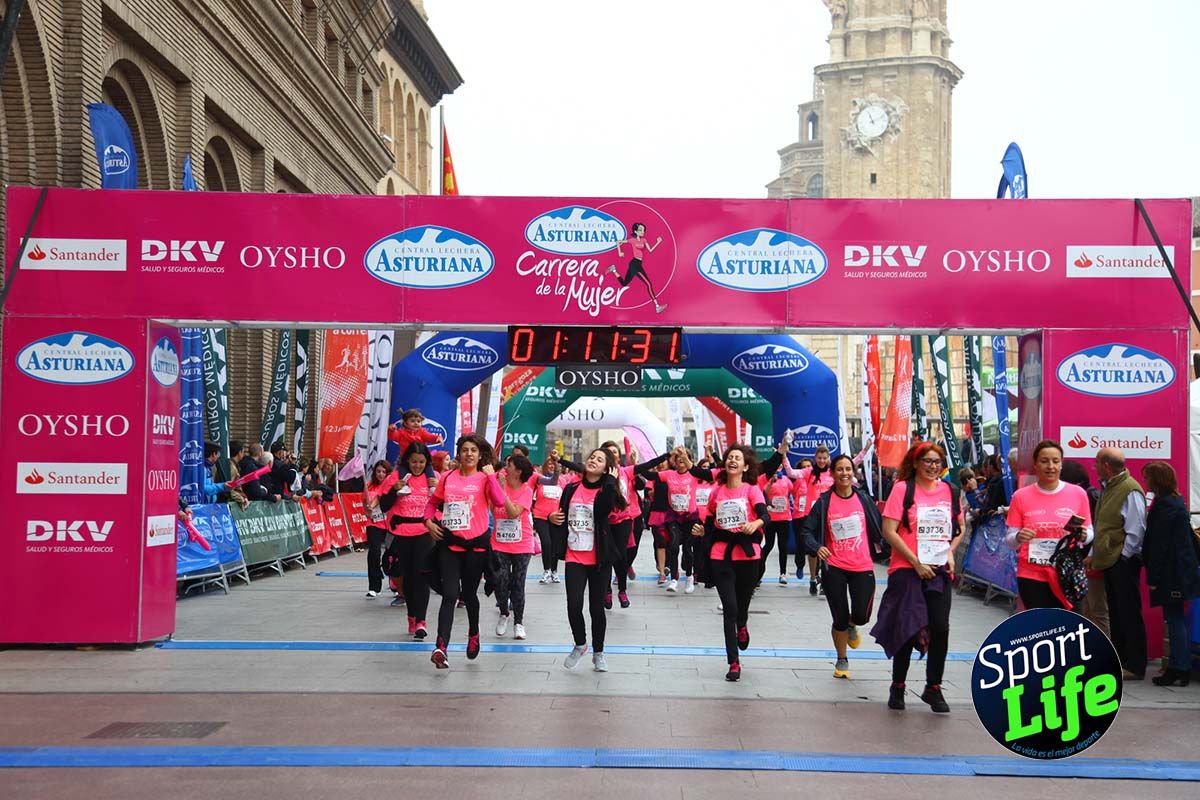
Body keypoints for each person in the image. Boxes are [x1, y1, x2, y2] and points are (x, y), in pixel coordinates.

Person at [871, 442, 962, 713]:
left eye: (937, 461)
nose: (933, 466)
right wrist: (914, 561)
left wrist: (951, 553)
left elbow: (959, 528)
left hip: (938, 570)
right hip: (907, 569)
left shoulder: (950, 491)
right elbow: (889, 530)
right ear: (915, 462)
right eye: (927, 461)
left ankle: (933, 687)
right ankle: (898, 684)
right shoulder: (902, 489)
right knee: (908, 627)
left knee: (940, 628)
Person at [424, 434, 507, 669]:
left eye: (473, 450)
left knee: (469, 595)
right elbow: (432, 504)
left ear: (480, 455)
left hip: (476, 547)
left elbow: (500, 503)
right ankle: (441, 647)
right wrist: (428, 523)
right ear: (459, 454)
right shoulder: (448, 477)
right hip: (450, 544)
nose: (468, 454)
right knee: (450, 595)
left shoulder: (484, 478)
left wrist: (491, 476)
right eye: (464, 450)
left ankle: (473, 633)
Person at [801, 454, 885, 680]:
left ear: (853, 472)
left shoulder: (864, 500)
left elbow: (880, 525)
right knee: (838, 616)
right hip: (834, 566)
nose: (845, 473)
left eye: (848, 469)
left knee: (862, 614)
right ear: (833, 473)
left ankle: (852, 624)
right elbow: (806, 530)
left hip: (862, 565)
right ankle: (842, 658)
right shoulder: (824, 502)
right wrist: (818, 547)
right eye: (840, 469)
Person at [690, 445, 769, 682]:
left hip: (748, 556)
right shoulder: (717, 492)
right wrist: (702, 530)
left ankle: (743, 625)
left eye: (737, 458)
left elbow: (765, 515)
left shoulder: (751, 490)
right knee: (730, 609)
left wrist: (755, 525)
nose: (732, 460)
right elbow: (710, 523)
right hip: (721, 556)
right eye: (729, 457)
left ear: (745, 466)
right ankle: (733, 662)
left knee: (741, 607)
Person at [548, 448, 626, 672]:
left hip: (599, 558)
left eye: (600, 460)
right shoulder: (572, 488)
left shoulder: (606, 490)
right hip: (574, 554)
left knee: (596, 608)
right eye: (592, 457)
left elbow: (601, 512)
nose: (593, 460)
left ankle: (599, 652)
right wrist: (553, 517)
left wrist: (610, 480)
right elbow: (560, 515)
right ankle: (580, 643)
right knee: (574, 604)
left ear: (606, 468)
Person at [1004, 440, 1094, 610]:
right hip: (1032, 575)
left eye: (1055, 461)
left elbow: (1089, 532)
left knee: (1068, 629)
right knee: (1041, 629)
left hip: (1067, 573)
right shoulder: (1021, 496)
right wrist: (1018, 536)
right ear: (1036, 465)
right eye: (1044, 461)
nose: (1050, 466)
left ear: (1061, 464)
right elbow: (1010, 540)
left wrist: (1084, 535)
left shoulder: (1078, 494)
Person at [1141, 462, 1200, 687]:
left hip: (1171, 573)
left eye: (1147, 478)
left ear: (1156, 480)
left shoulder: (1165, 506)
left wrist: (1153, 577)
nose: (1145, 482)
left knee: (1174, 619)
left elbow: (1159, 545)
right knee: (1177, 619)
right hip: (1180, 571)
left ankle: (1179, 667)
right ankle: (1178, 666)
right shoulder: (1176, 501)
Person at [1093, 447, 1148, 680]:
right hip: (1112, 559)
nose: (1094, 467)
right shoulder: (1110, 487)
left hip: (1121, 560)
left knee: (1128, 612)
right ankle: (1120, 659)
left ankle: (1135, 665)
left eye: (1097, 463)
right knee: (1116, 611)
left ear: (1106, 465)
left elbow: (1136, 529)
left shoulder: (1129, 489)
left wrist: (1122, 556)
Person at [642, 446, 713, 593]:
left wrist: (711, 455)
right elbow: (646, 474)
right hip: (674, 517)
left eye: (684, 456)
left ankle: (689, 578)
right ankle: (673, 579)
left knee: (687, 548)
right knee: (673, 546)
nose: (681, 459)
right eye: (678, 457)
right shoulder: (669, 474)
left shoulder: (694, 475)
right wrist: (666, 455)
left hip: (690, 517)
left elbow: (711, 474)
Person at [387, 443, 436, 639]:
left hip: (424, 532)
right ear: (408, 460)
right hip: (401, 533)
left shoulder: (432, 479)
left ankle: (421, 621)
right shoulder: (397, 476)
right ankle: (411, 616)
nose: (417, 465)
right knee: (407, 578)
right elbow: (383, 505)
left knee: (421, 576)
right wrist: (393, 490)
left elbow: (440, 503)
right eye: (414, 461)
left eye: (422, 462)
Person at [1060, 458, 1108, 637]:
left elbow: (1097, 528)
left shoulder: (1088, 496)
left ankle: (1102, 648)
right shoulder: (1091, 494)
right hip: (1083, 558)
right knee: (1087, 608)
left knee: (1095, 608)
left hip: (1089, 558)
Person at [492, 454, 536, 640]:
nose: (504, 468)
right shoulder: (497, 483)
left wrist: (503, 491)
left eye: (508, 465)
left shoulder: (526, 490)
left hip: (522, 544)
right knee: (500, 581)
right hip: (499, 543)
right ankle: (504, 612)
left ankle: (519, 622)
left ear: (518, 471)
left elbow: (513, 513)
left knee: (518, 584)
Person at [606, 221, 666, 313]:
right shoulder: (632, 240)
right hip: (635, 264)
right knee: (648, 284)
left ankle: (614, 270)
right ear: (635, 231)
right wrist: (619, 252)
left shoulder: (644, 240)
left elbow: (650, 250)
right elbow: (618, 241)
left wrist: (658, 242)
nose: (643, 232)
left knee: (624, 283)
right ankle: (657, 306)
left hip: (638, 264)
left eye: (643, 230)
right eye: (640, 230)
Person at [533, 454, 567, 584]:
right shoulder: (539, 480)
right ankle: (546, 570)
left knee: (555, 545)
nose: (552, 466)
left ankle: (554, 571)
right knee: (546, 543)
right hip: (540, 516)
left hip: (556, 517)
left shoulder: (562, 481)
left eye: (555, 464)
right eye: (550, 464)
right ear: (544, 466)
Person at [388, 408, 443, 489]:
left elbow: (430, 436)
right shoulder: (401, 433)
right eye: (412, 421)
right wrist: (391, 430)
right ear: (406, 423)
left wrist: (437, 438)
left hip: (421, 459)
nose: (416, 423)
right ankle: (405, 487)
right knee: (402, 470)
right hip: (405, 459)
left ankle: (432, 487)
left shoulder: (422, 432)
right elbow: (393, 436)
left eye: (418, 421)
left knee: (429, 468)